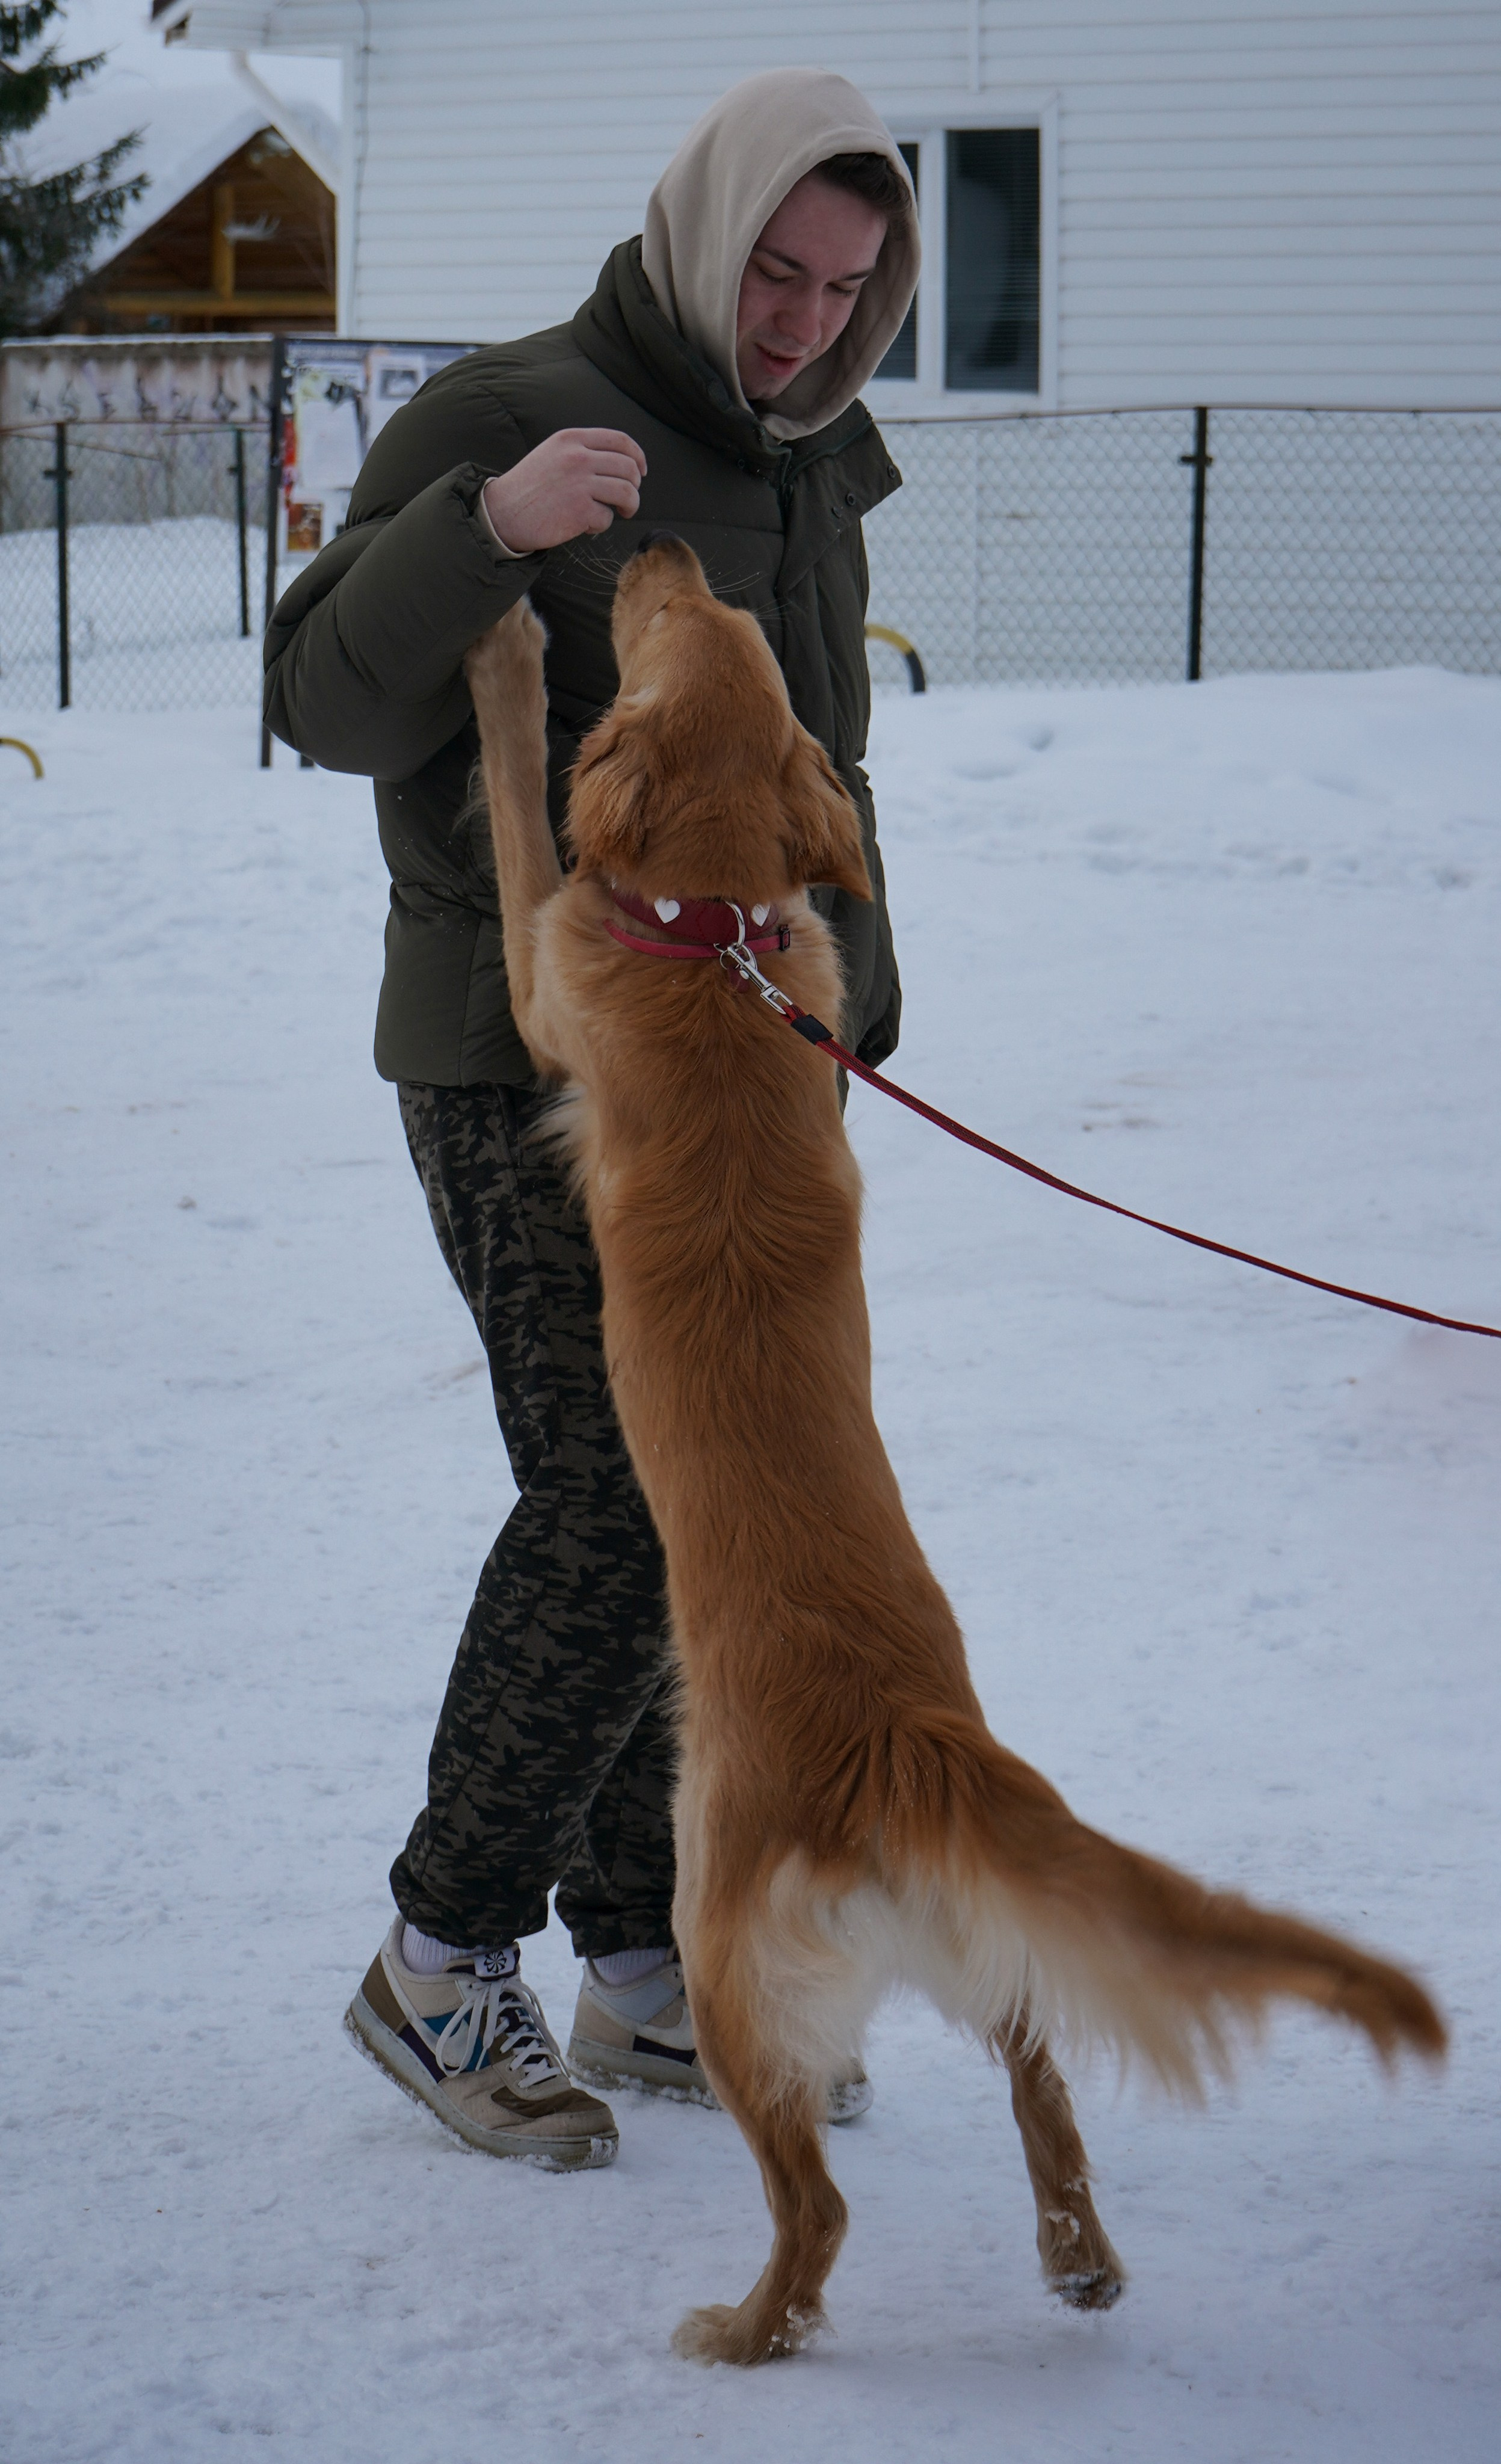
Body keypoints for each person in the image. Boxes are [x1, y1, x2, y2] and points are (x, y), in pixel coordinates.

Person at [265, 67, 920, 2171]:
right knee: (627, 1504)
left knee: (690, 1495)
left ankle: (644, 1963)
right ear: (702, 226)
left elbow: (822, 775)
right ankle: (443, 1953)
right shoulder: (513, 412)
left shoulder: (799, 460)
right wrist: (483, 533)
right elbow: (318, 699)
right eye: (777, 267)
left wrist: (854, 1014)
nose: (808, 316)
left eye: (848, 280)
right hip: (511, 1050)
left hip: (734, 1075)